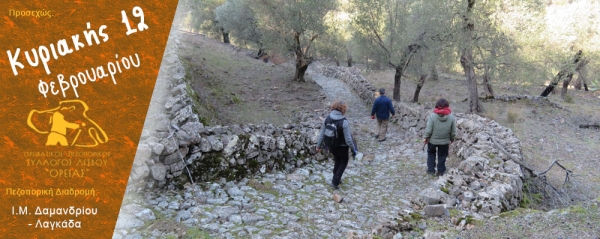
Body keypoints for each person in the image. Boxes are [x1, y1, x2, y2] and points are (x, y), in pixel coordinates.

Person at [316, 100, 357, 189]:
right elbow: (348, 138)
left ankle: (336, 177)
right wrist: (353, 148)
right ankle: (335, 182)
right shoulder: (344, 121)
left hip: (331, 145)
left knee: (337, 160)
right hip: (342, 147)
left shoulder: (327, 118)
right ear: (343, 109)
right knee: (343, 162)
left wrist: (318, 146)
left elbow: (322, 134)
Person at [423, 98, 456, 176]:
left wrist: (425, 137)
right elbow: (453, 131)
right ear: (447, 106)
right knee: (442, 155)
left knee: (431, 153)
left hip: (432, 141)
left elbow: (429, 129)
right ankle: (440, 171)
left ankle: (431, 170)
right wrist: (452, 139)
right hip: (445, 141)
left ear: (437, 106)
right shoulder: (451, 118)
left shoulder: (432, 116)